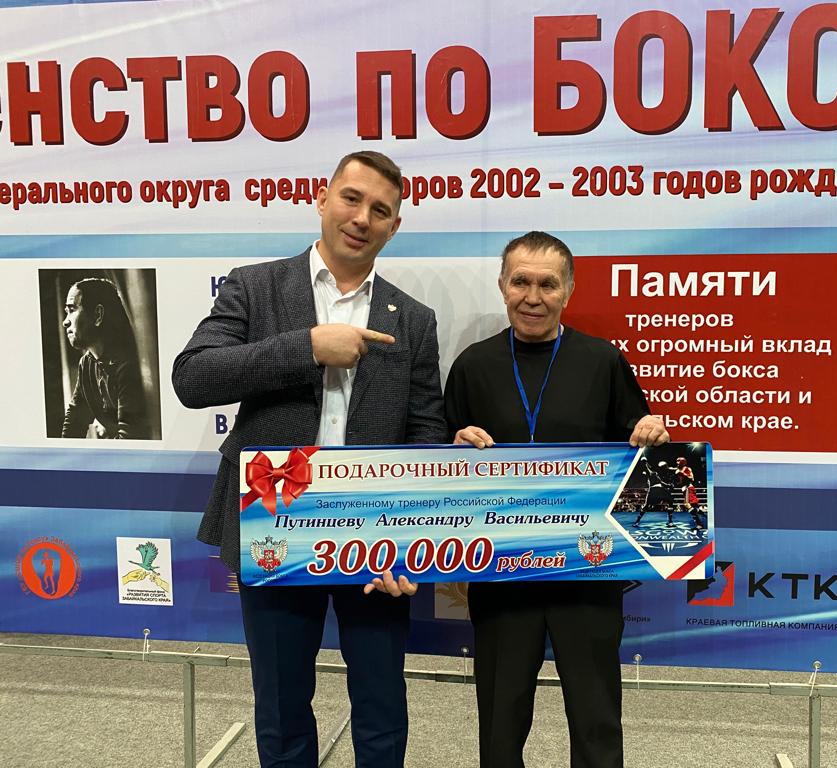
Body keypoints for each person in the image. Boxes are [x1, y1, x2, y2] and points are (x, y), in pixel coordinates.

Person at [172, 150, 446, 768]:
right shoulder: (255, 286)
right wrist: (308, 348)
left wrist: (412, 543)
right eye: (351, 198)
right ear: (322, 200)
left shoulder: (414, 319)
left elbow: (426, 433)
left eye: (381, 210)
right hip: (274, 518)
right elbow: (193, 378)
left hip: (375, 536)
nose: (362, 218)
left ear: (394, 226)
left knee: (381, 704)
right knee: (281, 704)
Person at [444, 231, 669, 768]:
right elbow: (439, 464)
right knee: (500, 721)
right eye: (520, 282)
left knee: (596, 720)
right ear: (502, 285)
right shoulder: (473, 365)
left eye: (547, 284)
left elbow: (639, 446)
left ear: (568, 290)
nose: (532, 297)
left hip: (588, 571)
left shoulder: (603, 360)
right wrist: (454, 445)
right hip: (501, 572)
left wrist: (652, 431)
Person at [61, 277, 149, 439]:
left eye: (72, 310)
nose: (65, 322)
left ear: (98, 315)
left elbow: (130, 439)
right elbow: (74, 423)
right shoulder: (86, 365)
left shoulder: (127, 364)